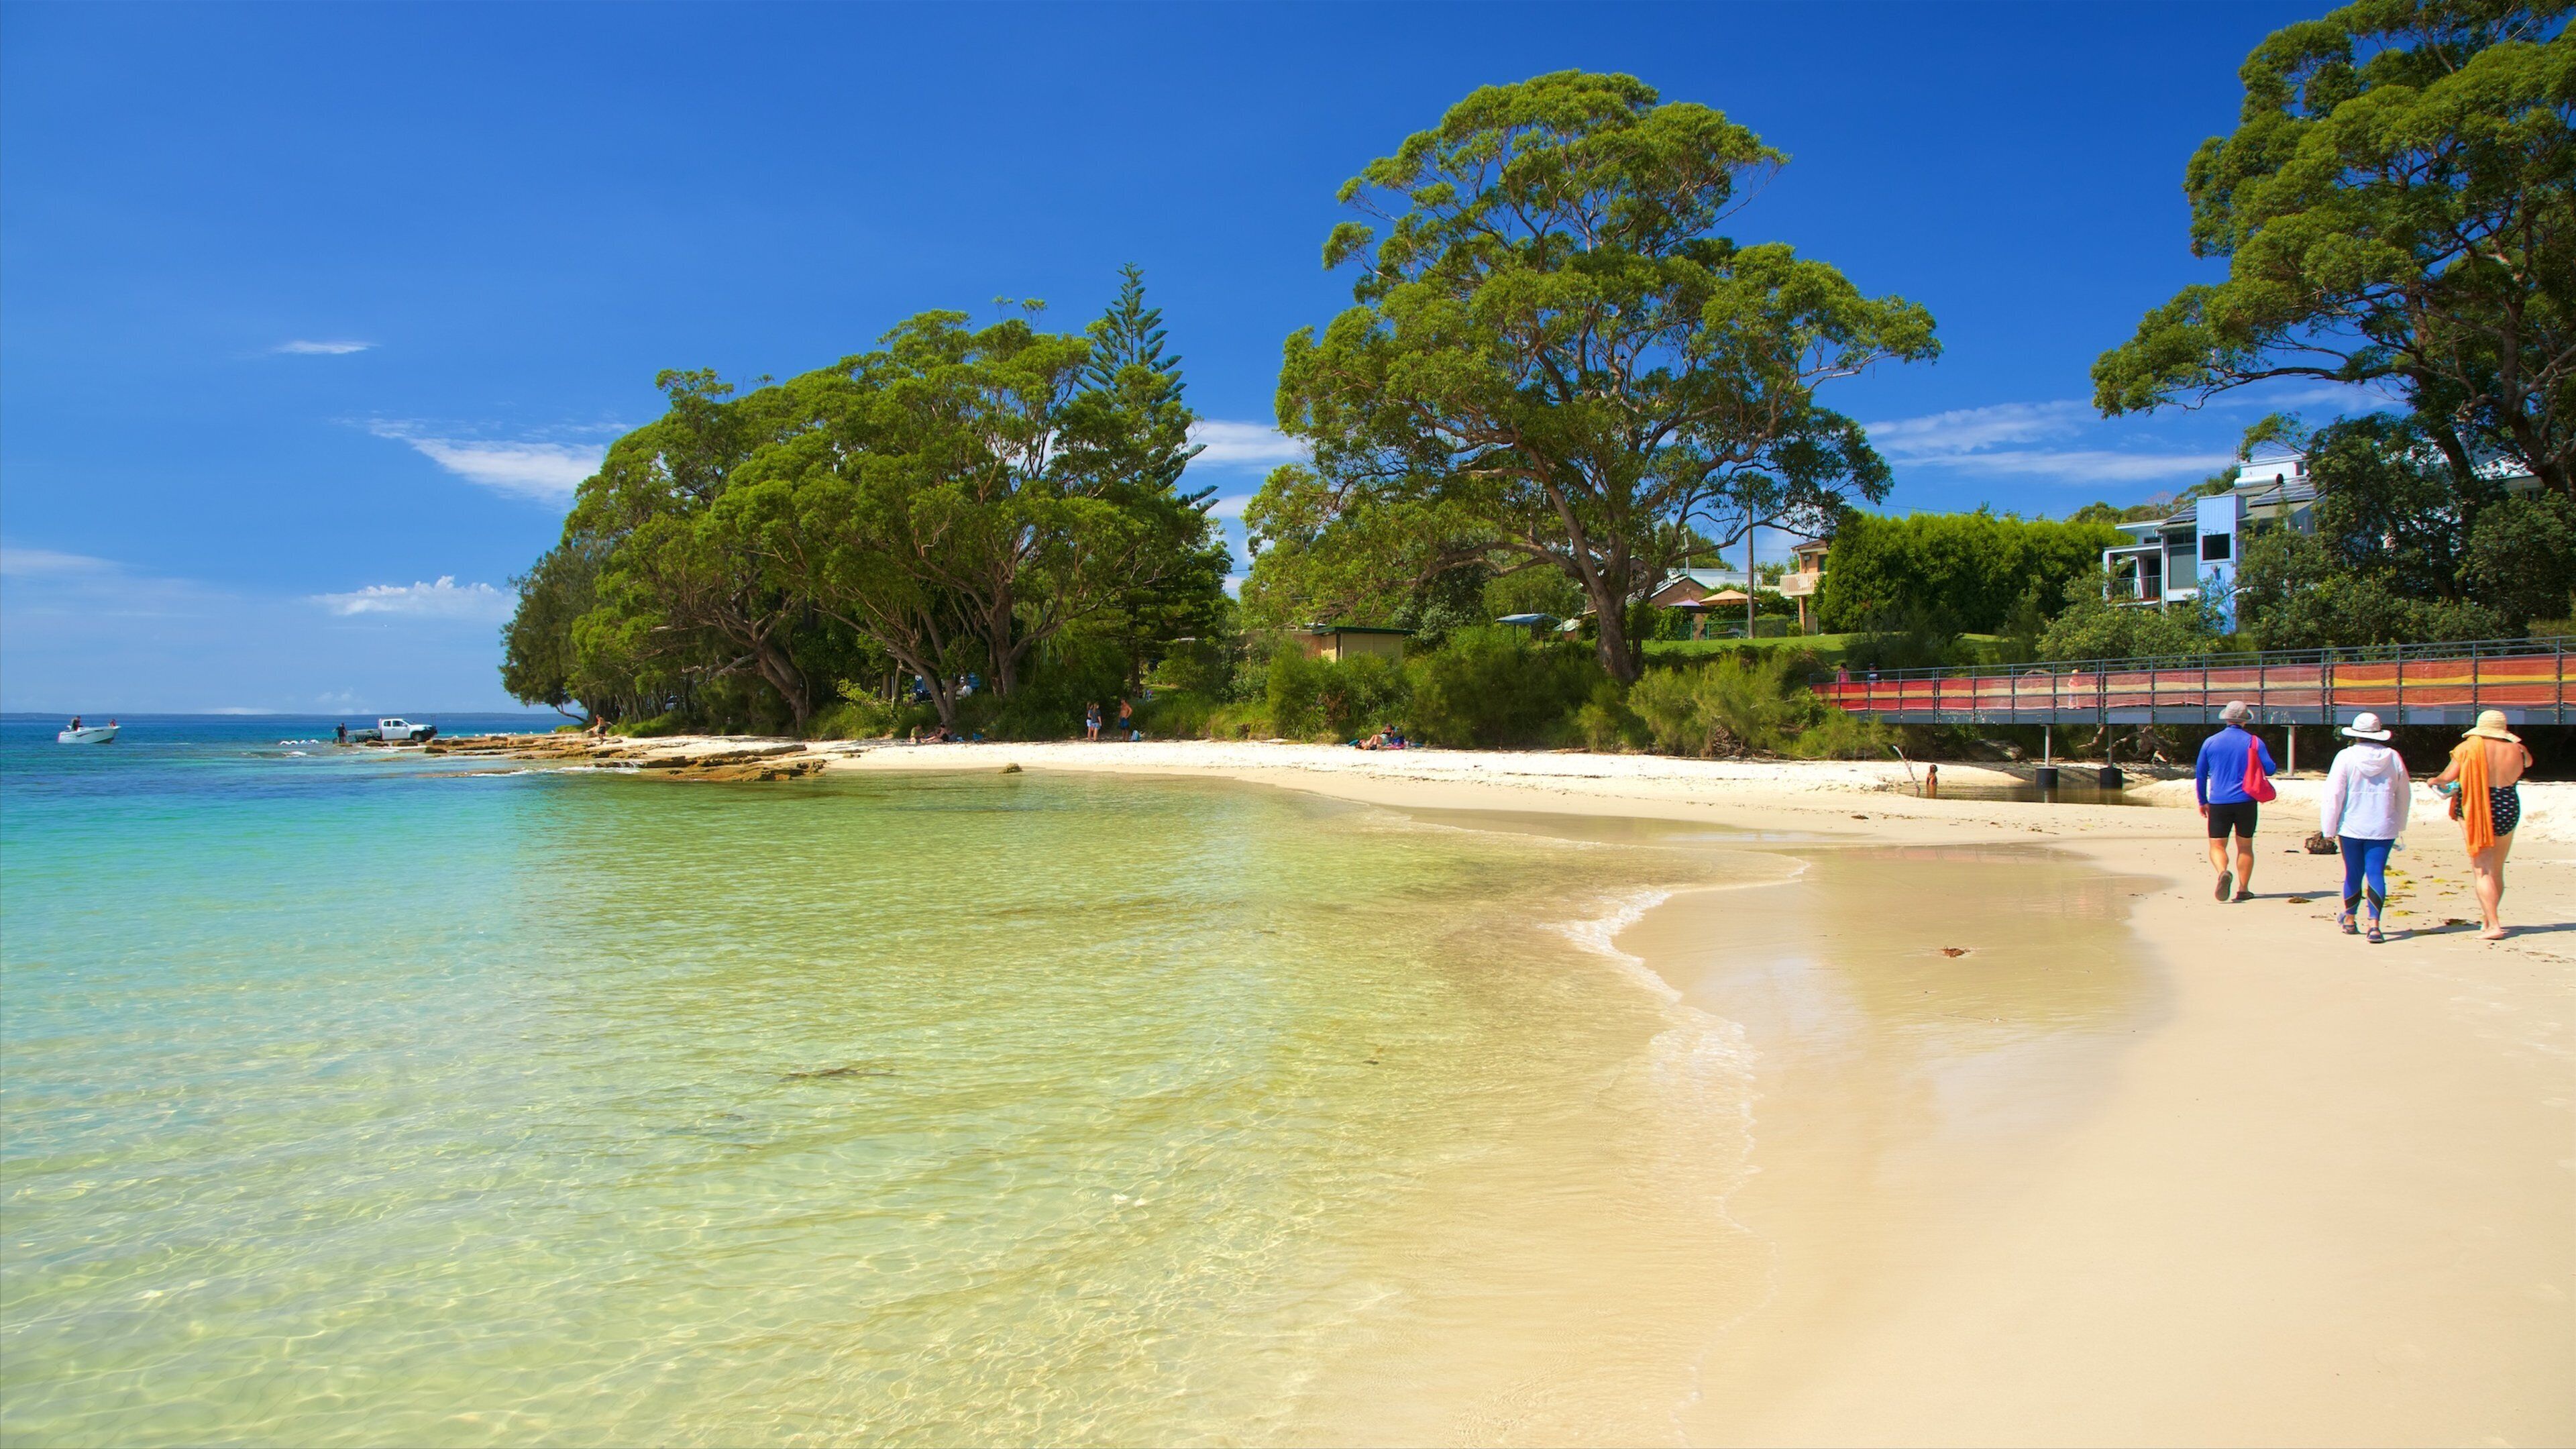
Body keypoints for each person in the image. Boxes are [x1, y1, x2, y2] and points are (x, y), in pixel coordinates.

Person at [2430, 710, 2534, 941]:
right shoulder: (2517, 749)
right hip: (2508, 803)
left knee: (2482, 869)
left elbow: (2447, 777)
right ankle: (2488, 919)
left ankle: (2494, 925)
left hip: (2477, 805)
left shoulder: (2467, 748)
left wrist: (2433, 781)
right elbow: (2527, 763)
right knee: (2497, 868)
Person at [2318, 712, 2408, 943]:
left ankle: (2349, 918)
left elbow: (2334, 794)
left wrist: (2328, 829)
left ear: (2355, 735)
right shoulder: (2393, 757)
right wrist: (2399, 823)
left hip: (2352, 825)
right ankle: (2375, 925)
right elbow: (2404, 794)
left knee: (2353, 872)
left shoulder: (2345, 757)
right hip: (2383, 824)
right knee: (2376, 872)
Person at [2195, 700, 2278, 903]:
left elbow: (2200, 774)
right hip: (2246, 801)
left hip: (2218, 802)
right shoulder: (2254, 742)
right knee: (2245, 846)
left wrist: (2202, 800)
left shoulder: (2210, 742)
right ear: (2245, 721)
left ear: (2226, 718)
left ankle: (2223, 871)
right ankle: (2243, 889)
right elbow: (2270, 769)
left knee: (2217, 845)